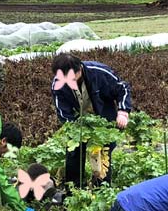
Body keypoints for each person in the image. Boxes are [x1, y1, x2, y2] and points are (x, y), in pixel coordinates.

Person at [50, 53, 132, 187]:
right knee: (74, 153)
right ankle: (74, 189)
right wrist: (74, 128)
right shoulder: (58, 84)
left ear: (79, 70)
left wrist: (123, 111)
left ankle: (102, 188)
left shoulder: (99, 73)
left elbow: (122, 88)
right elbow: (63, 111)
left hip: (103, 120)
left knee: (102, 155)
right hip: (79, 121)